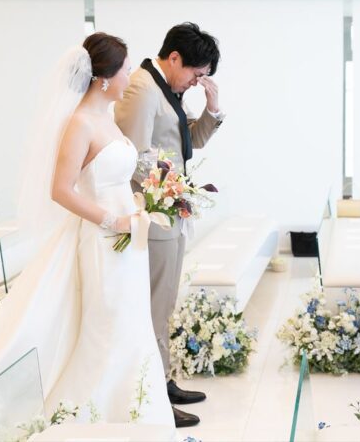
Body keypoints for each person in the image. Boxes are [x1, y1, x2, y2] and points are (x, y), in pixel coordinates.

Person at [0, 33, 173, 426]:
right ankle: (92, 416)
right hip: (103, 241)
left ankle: (137, 413)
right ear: (104, 78)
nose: (130, 77)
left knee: (131, 323)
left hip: (130, 240)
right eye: (127, 69)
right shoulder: (79, 123)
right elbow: (60, 189)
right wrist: (113, 221)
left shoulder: (106, 119)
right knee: (107, 328)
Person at [115, 22, 224, 428]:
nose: (197, 82)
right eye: (196, 74)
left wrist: (212, 110)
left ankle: (164, 379)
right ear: (174, 58)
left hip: (170, 210)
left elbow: (190, 141)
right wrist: (170, 191)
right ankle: (152, 394)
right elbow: (133, 155)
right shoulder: (143, 88)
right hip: (152, 212)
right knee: (153, 304)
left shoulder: (169, 90)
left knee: (165, 303)